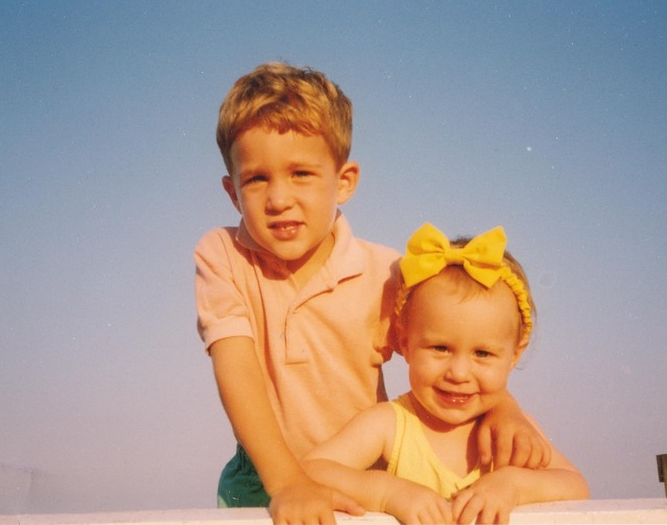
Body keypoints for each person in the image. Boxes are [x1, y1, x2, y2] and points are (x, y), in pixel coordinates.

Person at [194, 62, 552, 524]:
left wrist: (507, 409)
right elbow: (236, 368)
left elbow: (449, 351)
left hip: (365, 481)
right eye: (257, 178)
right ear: (232, 191)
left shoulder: (387, 272)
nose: (278, 198)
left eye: (301, 173)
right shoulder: (222, 254)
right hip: (264, 480)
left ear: (344, 181)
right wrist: (288, 484)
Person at [304, 223, 590, 524]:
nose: (459, 372)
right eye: (440, 348)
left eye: (482, 353)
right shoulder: (391, 424)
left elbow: (575, 485)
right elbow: (311, 470)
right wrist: (388, 493)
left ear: (514, 355)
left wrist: (512, 485)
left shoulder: (510, 429)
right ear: (405, 342)